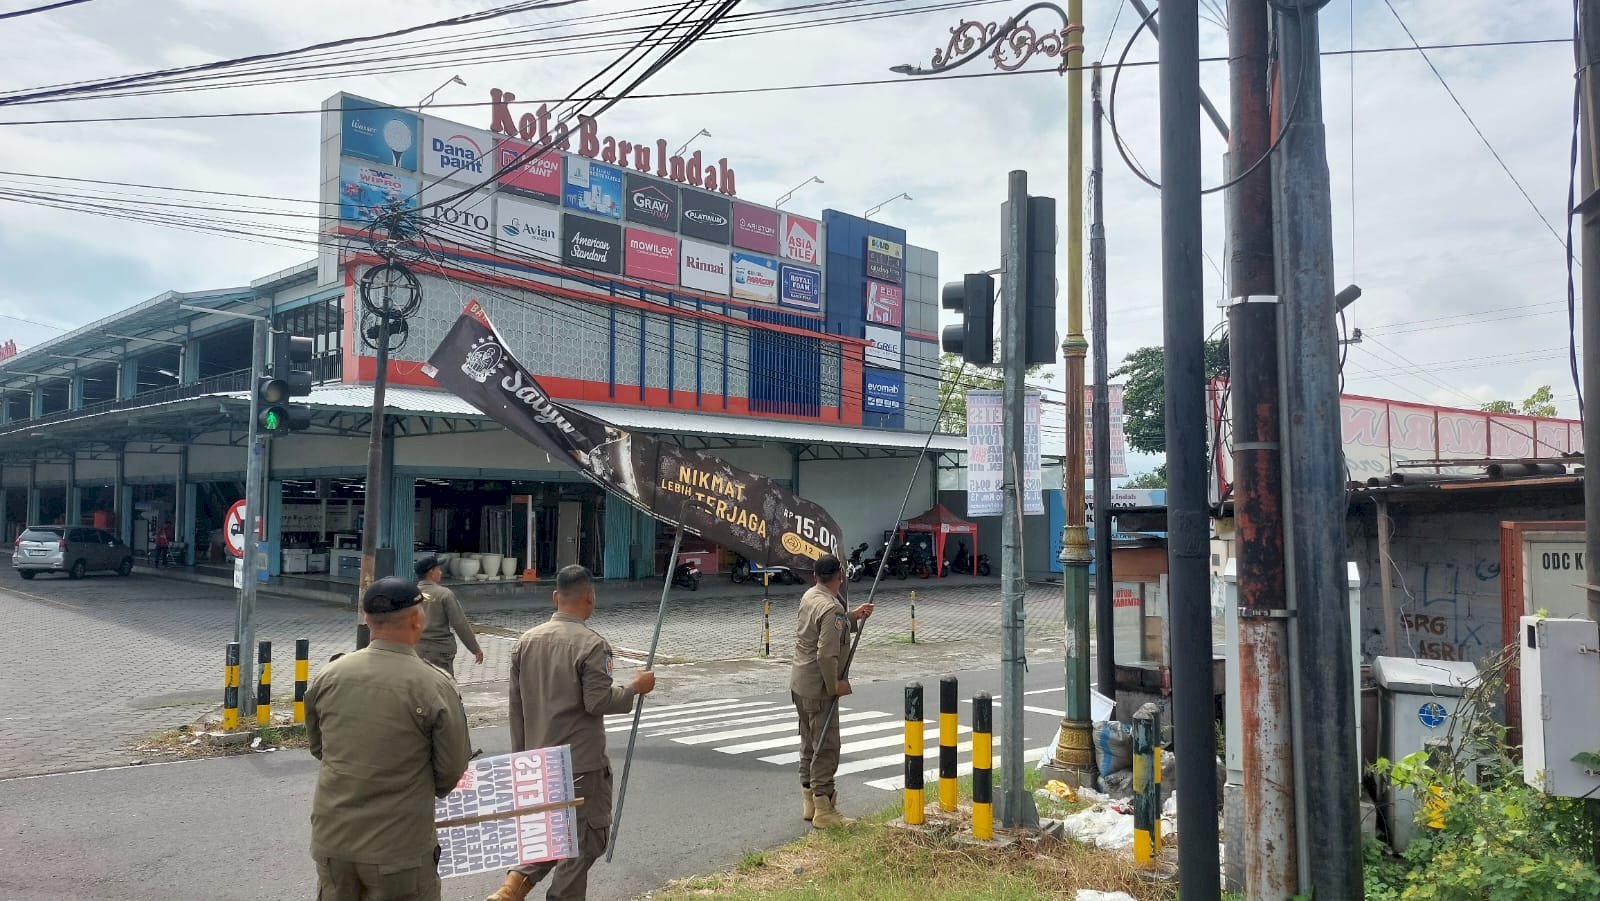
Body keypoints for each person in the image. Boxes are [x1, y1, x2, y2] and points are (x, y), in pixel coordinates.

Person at [486, 565, 657, 901]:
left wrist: (523, 758)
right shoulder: (592, 645)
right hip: (580, 763)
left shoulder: (525, 642)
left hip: (539, 758)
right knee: (585, 840)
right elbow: (598, 701)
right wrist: (635, 688)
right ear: (590, 598)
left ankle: (511, 889)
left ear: (555, 597)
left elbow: (515, 708)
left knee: (549, 834)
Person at [304, 576, 472, 901]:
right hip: (399, 848)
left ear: (367, 620)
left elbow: (319, 747)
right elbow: (451, 771)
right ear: (417, 619)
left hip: (333, 840)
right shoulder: (434, 685)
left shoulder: (329, 675)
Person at [789, 553, 873, 828]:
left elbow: (827, 625)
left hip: (800, 683)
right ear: (840, 576)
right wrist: (834, 685)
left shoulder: (811, 596)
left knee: (808, 742)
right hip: (819, 686)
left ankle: (809, 801)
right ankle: (824, 807)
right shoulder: (831, 609)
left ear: (816, 576)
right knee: (826, 746)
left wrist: (853, 617)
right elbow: (827, 655)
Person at [415, 554, 484, 679]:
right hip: (439, 652)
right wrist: (475, 649)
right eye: (438, 569)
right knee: (444, 690)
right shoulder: (444, 594)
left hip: (415, 650)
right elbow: (459, 624)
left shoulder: (411, 594)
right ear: (431, 572)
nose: (440, 572)